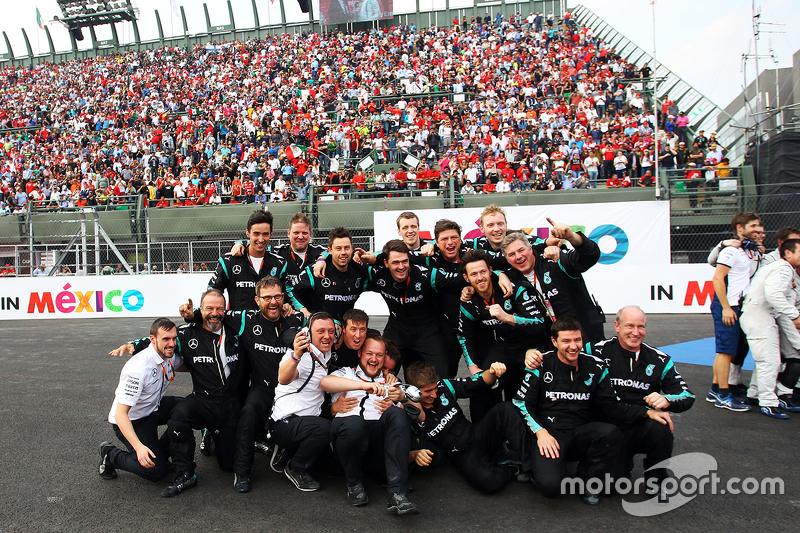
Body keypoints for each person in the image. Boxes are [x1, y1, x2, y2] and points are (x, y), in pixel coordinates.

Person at [513, 318, 673, 504]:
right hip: (550, 434)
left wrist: (647, 412)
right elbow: (521, 403)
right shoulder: (540, 364)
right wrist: (541, 432)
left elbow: (611, 406)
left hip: (580, 431)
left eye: (577, 340)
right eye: (566, 341)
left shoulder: (596, 366)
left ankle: (587, 479)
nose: (573, 346)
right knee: (550, 488)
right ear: (554, 342)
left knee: (610, 432)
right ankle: (535, 468)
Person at [112, 290, 247, 497]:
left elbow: (184, 362)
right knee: (162, 458)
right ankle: (183, 472)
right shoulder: (142, 365)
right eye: (209, 308)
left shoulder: (235, 329)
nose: (214, 313)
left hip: (215, 404)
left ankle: (207, 436)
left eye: (219, 308)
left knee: (227, 465)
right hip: (137, 418)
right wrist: (133, 344)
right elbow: (122, 414)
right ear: (200, 310)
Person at [592, 307, 694, 486]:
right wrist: (532, 354)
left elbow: (687, 396)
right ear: (617, 326)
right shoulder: (596, 352)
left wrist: (667, 399)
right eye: (629, 326)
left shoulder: (659, 359)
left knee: (662, 427)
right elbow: (565, 351)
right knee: (609, 487)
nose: (635, 332)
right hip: (609, 428)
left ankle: (657, 480)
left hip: (640, 426)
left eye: (641, 327)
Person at [321, 335, 419, 514]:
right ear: (360, 353)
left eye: (379, 355)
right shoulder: (346, 373)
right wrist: (363, 387)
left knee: (398, 414)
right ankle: (354, 484)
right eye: (369, 353)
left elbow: (418, 410)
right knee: (354, 423)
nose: (374, 359)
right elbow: (325, 382)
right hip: (349, 442)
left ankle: (398, 494)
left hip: (377, 447)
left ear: (384, 357)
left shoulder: (391, 382)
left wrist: (402, 399)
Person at [405, 360, 527, 494]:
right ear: (414, 390)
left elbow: (477, 382)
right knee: (489, 482)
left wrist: (491, 372)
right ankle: (509, 466)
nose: (434, 394)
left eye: (435, 388)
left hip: (477, 434)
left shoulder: (444, 386)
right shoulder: (410, 415)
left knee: (505, 408)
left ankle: (528, 464)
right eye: (428, 391)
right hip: (463, 455)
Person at [458, 249, 549, 422]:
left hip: (531, 345)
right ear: (466, 278)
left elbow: (539, 324)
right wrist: (472, 366)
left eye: (483, 272)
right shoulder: (468, 301)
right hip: (505, 346)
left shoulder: (513, 288)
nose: (480, 278)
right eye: (474, 274)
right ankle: (483, 438)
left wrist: (507, 318)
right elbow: (464, 336)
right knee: (481, 387)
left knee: (528, 393)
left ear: (491, 271)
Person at [360, 239, 463, 377]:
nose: (401, 267)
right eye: (395, 263)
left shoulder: (426, 274)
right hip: (397, 330)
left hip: (427, 331)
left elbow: (460, 279)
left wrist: (498, 274)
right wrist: (321, 260)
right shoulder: (378, 274)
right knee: (379, 371)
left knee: (442, 375)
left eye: (405, 261)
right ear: (386, 263)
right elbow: (345, 265)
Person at [99, 318, 184, 483]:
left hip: (153, 408)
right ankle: (110, 454)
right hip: (133, 420)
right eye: (166, 339)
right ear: (152, 340)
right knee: (157, 472)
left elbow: (186, 365)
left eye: (174, 338)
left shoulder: (169, 355)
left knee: (189, 409)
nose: (172, 344)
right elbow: (120, 414)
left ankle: (159, 452)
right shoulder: (138, 369)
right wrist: (139, 447)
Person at [501, 221, 606, 345]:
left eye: (521, 250)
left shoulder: (554, 258)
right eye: (512, 254)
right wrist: (500, 275)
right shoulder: (512, 279)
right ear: (507, 259)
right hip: (554, 343)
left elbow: (590, 256)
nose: (518, 257)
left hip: (586, 334)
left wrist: (572, 237)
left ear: (530, 248)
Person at [269, 312, 336, 492]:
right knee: (327, 429)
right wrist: (296, 355)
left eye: (331, 331)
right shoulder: (302, 356)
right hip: (285, 422)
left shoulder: (325, 353)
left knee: (331, 463)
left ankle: (286, 451)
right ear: (309, 334)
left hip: (305, 421)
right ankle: (296, 468)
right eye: (320, 331)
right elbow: (283, 378)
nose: (327, 336)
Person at [707, 212, 763, 411]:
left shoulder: (752, 251)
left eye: (759, 225)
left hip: (739, 306)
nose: (759, 229)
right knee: (725, 351)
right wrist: (726, 307)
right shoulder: (730, 251)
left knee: (733, 350)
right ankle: (723, 395)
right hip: (728, 306)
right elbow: (717, 278)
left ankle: (715, 389)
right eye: (754, 226)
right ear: (740, 228)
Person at [741, 239, 800, 418]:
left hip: (758, 315)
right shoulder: (783, 268)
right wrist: (794, 315)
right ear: (788, 253)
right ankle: (768, 403)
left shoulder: (780, 267)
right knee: (769, 361)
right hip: (759, 317)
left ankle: (754, 394)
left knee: (767, 359)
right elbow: (773, 294)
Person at [209, 210, 287, 311]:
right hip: (237, 325)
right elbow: (212, 291)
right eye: (256, 234)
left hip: (269, 325)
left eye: (265, 234)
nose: (261, 239)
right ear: (247, 233)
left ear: (271, 234)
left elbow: (287, 294)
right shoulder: (229, 261)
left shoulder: (279, 263)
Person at [286, 226, 367, 321]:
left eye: (346, 248)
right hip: (322, 328)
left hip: (346, 328)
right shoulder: (316, 270)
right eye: (338, 248)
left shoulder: (359, 270)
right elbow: (289, 288)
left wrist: (372, 258)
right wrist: (303, 310)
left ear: (352, 249)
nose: (343, 252)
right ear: (329, 250)